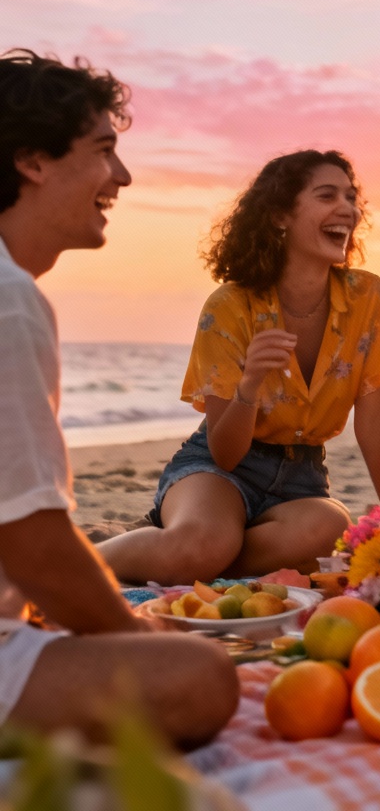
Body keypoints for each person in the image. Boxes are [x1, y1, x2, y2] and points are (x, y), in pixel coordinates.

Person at [0, 48, 238, 746]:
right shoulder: (10, 300)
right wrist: (126, 627)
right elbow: (31, 540)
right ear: (34, 160)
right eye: (105, 150)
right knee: (198, 677)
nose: (123, 176)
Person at [99, 149, 380, 585]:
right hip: (216, 470)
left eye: (351, 197)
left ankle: (193, 552)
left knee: (333, 528)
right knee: (202, 543)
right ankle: (81, 558)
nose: (348, 209)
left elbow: (373, 425)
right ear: (280, 215)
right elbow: (225, 452)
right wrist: (249, 385)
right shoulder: (229, 306)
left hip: (303, 478)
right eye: (327, 195)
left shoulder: (367, 296)